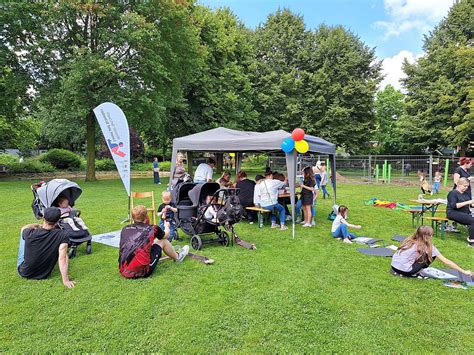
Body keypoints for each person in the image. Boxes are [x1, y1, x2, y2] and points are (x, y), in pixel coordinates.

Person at [119, 205, 189, 279]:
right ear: (146, 216)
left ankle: (170, 252)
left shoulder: (125, 228)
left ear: (133, 218)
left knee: (154, 241)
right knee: (163, 241)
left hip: (123, 270)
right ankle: (178, 257)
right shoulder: (152, 228)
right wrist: (167, 227)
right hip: (143, 271)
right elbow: (166, 235)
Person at [17, 207, 75, 288]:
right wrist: (65, 280)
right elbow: (62, 258)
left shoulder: (29, 232)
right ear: (57, 221)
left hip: (24, 272)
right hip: (44, 274)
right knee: (63, 252)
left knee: (23, 237)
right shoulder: (62, 235)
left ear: (43, 218)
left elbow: (23, 228)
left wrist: (37, 225)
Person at [391, 225, 472, 278]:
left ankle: (413, 268)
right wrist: (464, 272)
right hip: (405, 271)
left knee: (417, 255)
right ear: (428, 236)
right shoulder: (428, 247)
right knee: (432, 255)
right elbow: (446, 261)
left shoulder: (409, 240)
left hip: (394, 267)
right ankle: (416, 272)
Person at [446, 178, 474, 247]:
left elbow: (470, 205)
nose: (466, 188)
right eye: (465, 186)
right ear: (458, 184)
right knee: (472, 221)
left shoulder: (466, 194)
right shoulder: (453, 193)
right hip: (452, 212)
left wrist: (472, 204)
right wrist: (468, 202)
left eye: (467, 186)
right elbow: (454, 206)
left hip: (464, 213)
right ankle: (471, 241)